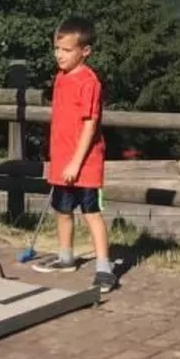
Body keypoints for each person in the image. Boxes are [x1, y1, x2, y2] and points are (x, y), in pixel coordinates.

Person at [32, 16, 116, 293]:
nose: (60, 55)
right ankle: (66, 256)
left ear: (85, 51)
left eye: (67, 50)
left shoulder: (89, 82)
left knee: (91, 212)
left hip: (85, 164)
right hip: (61, 160)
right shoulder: (60, 78)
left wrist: (76, 163)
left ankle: (104, 266)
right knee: (62, 210)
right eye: (57, 49)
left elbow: (90, 125)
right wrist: (59, 159)